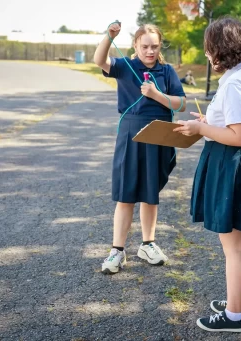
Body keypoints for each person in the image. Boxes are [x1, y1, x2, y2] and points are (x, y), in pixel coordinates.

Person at [174, 17, 241, 333]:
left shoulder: (234, 82)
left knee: (233, 248)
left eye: (208, 49)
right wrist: (210, 120)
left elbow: (240, 135)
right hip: (237, 161)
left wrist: (201, 128)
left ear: (220, 49)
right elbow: (234, 125)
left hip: (233, 162)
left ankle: (233, 317)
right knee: (237, 246)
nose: (207, 55)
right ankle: (236, 305)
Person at [93, 22, 186, 274]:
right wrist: (109, 36)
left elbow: (181, 104)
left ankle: (148, 244)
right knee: (126, 194)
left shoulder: (166, 71)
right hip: (131, 134)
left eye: (154, 47)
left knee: (150, 193)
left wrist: (156, 95)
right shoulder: (126, 67)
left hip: (159, 135)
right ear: (135, 45)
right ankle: (117, 251)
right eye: (145, 46)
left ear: (160, 47)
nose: (150, 51)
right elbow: (99, 60)